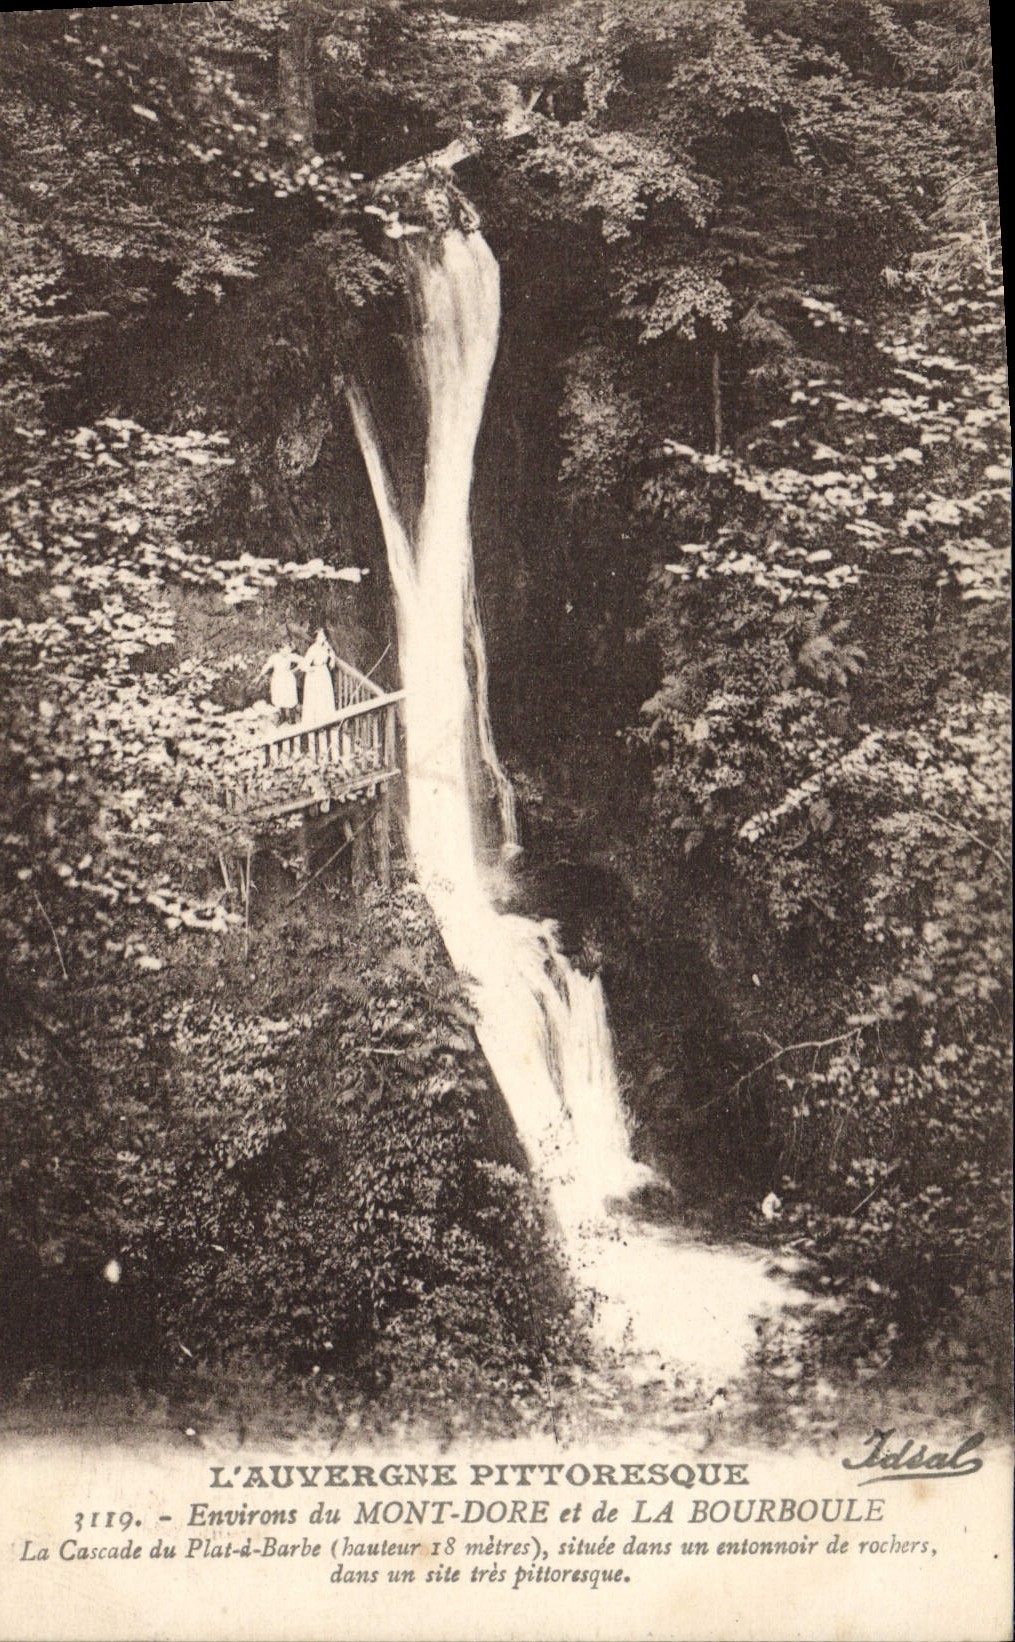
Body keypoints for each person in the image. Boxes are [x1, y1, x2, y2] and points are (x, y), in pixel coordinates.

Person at [256, 644, 303, 724]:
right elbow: (267, 666)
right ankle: (283, 717)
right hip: (278, 680)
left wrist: (296, 669)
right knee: (279, 697)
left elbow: (303, 660)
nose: (287, 651)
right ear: (280, 649)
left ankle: (292, 718)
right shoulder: (274, 657)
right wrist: (260, 676)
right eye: (285, 649)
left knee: (290, 697)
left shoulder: (290, 656)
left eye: (288, 649)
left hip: (288, 679)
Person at [301, 627, 338, 725]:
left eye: (323, 636)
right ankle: (315, 722)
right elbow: (303, 665)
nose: (322, 638)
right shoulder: (312, 649)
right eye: (320, 636)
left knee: (325, 695)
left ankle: (326, 720)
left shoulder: (326, 645)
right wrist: (312, 669)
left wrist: (332, 659)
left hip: (324, 672)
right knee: (316, 697)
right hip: (315, 675)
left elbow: (331, 652)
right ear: (316, 638)